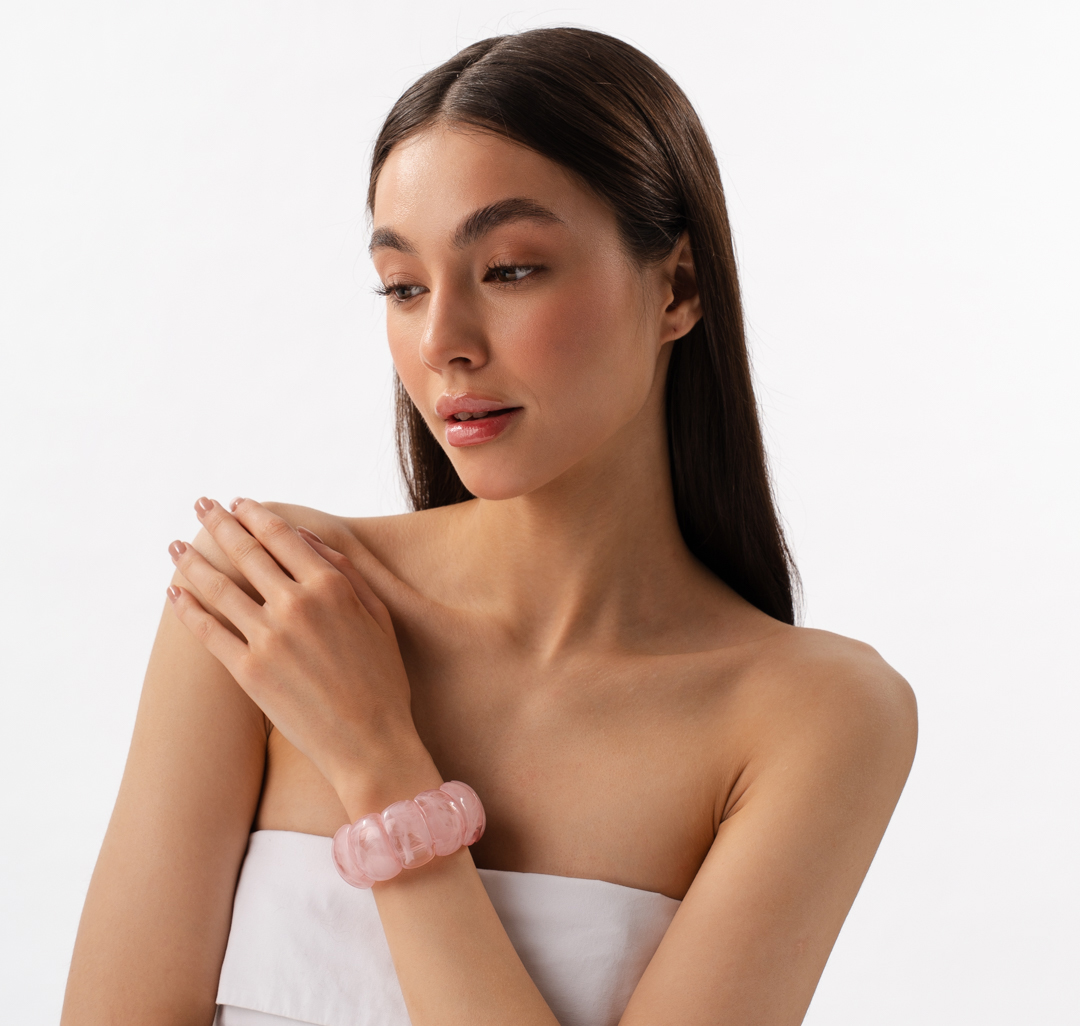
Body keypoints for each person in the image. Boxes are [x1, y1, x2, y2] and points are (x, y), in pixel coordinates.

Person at [61, 27, 917, 1026]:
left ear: (677, 288)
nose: (442, 342)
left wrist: (378, 759)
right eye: (403, 286)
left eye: (509, 270)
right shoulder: (277, 596)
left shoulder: (813, 717)